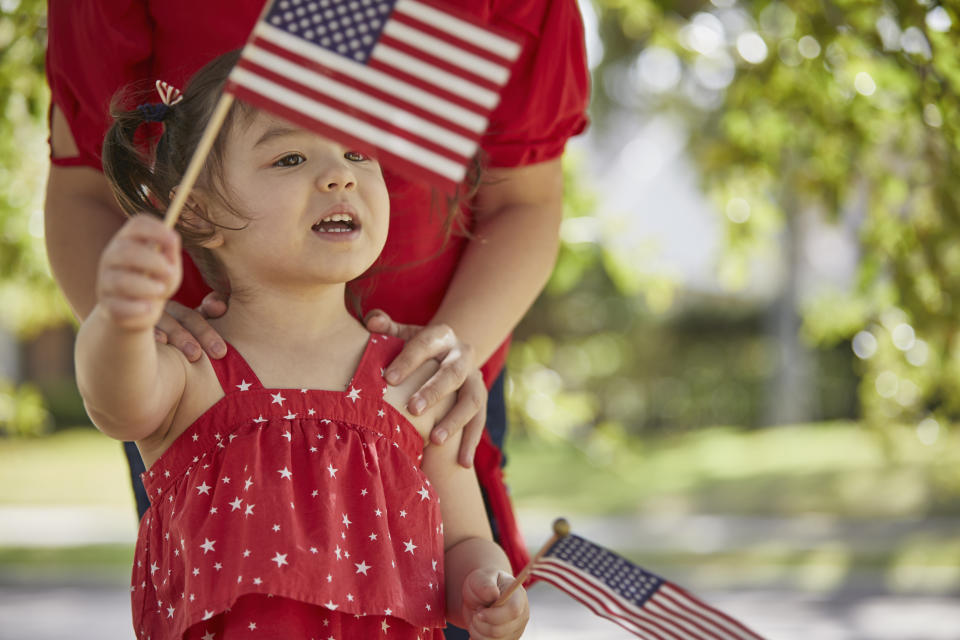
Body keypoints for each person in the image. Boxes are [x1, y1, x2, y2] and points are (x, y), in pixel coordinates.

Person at [45, 6, 589, 636]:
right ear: (194, 213)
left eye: (360, 152)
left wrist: (483, 583)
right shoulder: (193, 369)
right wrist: (123, 318)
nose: (339, 175)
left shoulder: (417, 387)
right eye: (289, 160)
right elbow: (113, 398)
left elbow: (464, 540)